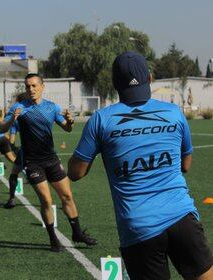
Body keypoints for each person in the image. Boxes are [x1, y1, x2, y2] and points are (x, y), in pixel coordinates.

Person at [68, 51, 213, 280]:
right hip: (182, 218)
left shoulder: (101, 120)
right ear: (150, 78)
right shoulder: (174, 113)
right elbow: (186, 164)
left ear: (115, 83)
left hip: (139, 227)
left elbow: (75, 173)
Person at [0, 73, 97, 252]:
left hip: (51, 160)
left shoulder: (52, 107)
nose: (31, 89)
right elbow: (2, 128)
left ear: (42, 87)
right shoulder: (18, 107)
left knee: (67, 196)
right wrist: (13, 118)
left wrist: (70, 121)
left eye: (34, 85)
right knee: (46, 200)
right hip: (32, 162)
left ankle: (77, 233)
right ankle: (53, 238)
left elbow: (67, 128)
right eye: (28, 86)